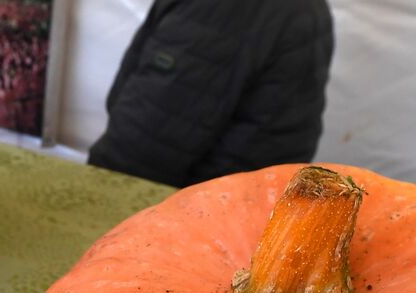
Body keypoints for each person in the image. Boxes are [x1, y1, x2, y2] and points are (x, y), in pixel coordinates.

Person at [88, 0, 333, 187]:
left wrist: (96, 195)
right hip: (242, 209)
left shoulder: (225, 9)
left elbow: (142, 151)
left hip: (202, 217)